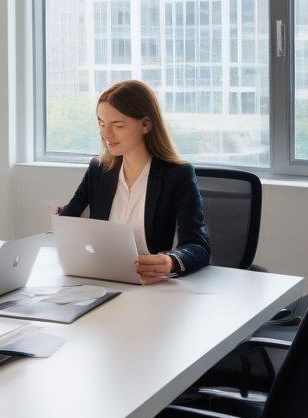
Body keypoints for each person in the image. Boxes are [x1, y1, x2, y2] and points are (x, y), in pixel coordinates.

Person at [56, 79, 210, 283]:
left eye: (118, 125)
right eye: (101, 123)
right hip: (103, 279)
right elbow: (68, 219)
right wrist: (58, 219)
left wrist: (170, 261)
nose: (106, 134)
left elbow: (199, 246)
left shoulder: (177, 174)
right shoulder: (99, 169)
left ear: (146, 124)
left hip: (151, 286)